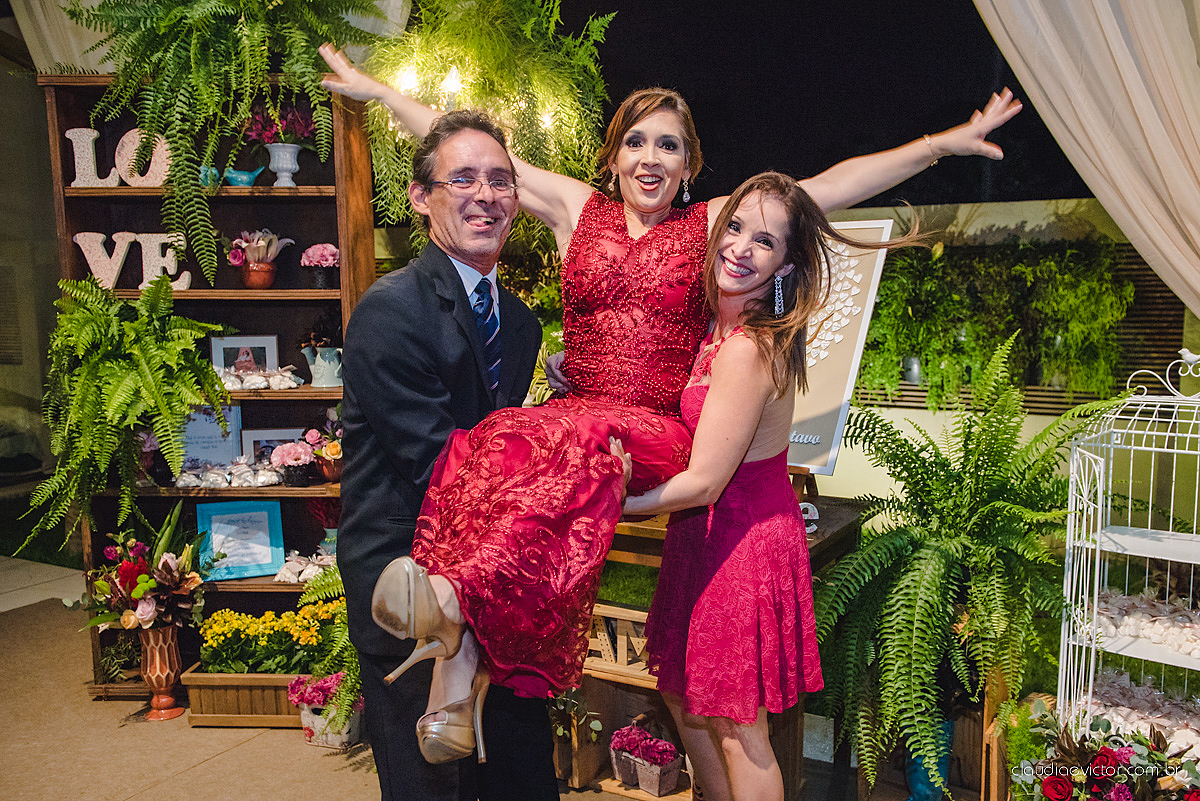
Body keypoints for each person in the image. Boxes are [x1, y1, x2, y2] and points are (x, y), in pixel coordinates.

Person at [319, 43, 1021, 763]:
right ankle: (455, 673)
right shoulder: (573, 208)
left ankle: (448, 626)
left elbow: (825, 189)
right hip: (578, 412)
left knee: (558, 459)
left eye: (670, 146)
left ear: (689, 166)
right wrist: (380, 96)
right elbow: (472, 157)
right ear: (613, 156)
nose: (651, 157)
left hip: (645, 427)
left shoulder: (716, 223)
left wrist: (941, 145)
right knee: (492, 438)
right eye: (636, 140)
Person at [619, 172, 895, 801]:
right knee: (686, 698)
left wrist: (617, 505)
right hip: (705, 534)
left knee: (740, 728)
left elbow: (706, 480)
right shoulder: (712, 332)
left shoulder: (747, 348)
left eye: (764, 242)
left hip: (740, 539)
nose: (740, 248)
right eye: (736, 228)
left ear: (786, 264)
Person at [336, 108, 554, 801]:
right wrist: (568, 473)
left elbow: (508, 435)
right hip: (409, 587)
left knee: (521, 778)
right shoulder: (390, 310)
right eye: (462, 178)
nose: (485, 195)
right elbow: (442, 463)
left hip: (498, 586)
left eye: (500, 181)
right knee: (431, 785)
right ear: (420, 196)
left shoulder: (519, 322)